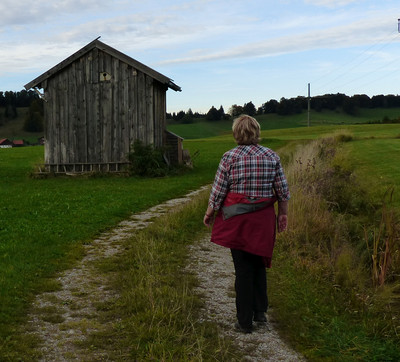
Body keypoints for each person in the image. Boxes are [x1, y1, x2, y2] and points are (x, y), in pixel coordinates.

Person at [203, 114, 290, 334]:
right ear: (257, 132)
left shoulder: (229, 157)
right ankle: (260, 312)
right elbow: (283, 191)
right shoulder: (272, 156)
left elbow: (219, 190)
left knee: (242, 270)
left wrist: (209, 212)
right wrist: (283, 214)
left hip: (237, 222)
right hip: (263, 221)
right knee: (259, 263)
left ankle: (244, 322)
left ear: (236, 133)